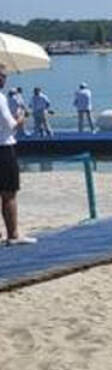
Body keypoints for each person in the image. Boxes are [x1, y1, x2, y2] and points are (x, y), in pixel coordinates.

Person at [0, 67, 35, 245]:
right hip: (4, 147)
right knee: (9, 192)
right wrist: (21, 118)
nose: (5, 79)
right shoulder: (0, 98)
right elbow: (10, 125)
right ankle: (13, 234)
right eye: (2, 76)